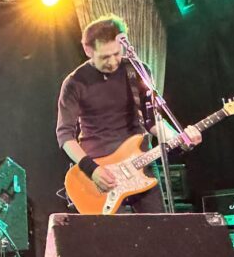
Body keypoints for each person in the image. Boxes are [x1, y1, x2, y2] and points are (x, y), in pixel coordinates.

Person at [55, 14, 201, 213]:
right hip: (101, 170)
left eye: (117, 53)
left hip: (141, 162)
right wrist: (92, 169)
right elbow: (64, 135)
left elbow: (152, 121)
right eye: (105, 57)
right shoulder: (75, 82)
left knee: (159, 227)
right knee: (114, 232)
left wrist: (178, 137)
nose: (113, 61)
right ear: (88, 50)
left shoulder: (138, 71)